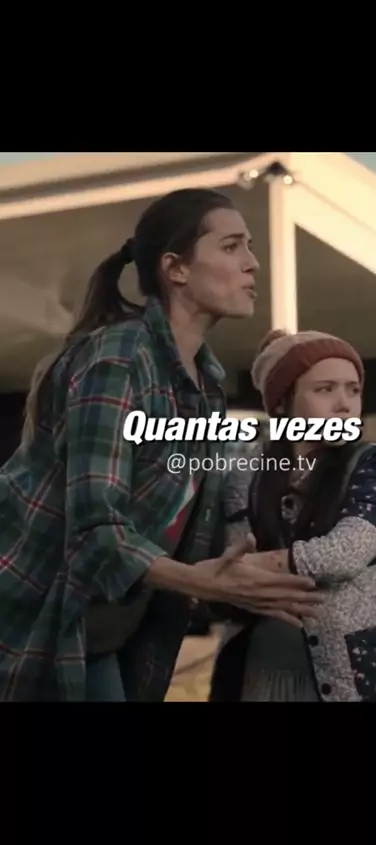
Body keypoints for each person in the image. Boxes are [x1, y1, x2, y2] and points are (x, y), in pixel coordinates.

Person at [0, 189, 322, 702]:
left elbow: (185, 530)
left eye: (250, 246)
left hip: (105, 632)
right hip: (30, 622)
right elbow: (95, 529)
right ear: (176, 269)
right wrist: (206, 583)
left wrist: (255, 573)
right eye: (232, 246)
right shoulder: (119, 357)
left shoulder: (207, 387)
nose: (252, 263)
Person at [209, 328, 376, 702]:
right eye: (325, 389)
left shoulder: (372, 464)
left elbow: (347, 552)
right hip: (266, 672)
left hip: (361, 677)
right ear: (282, 403)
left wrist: (258, 566)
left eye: (353, 390)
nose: (344, 404)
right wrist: (231, 575)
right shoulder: (247, 471)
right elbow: (231, 558)